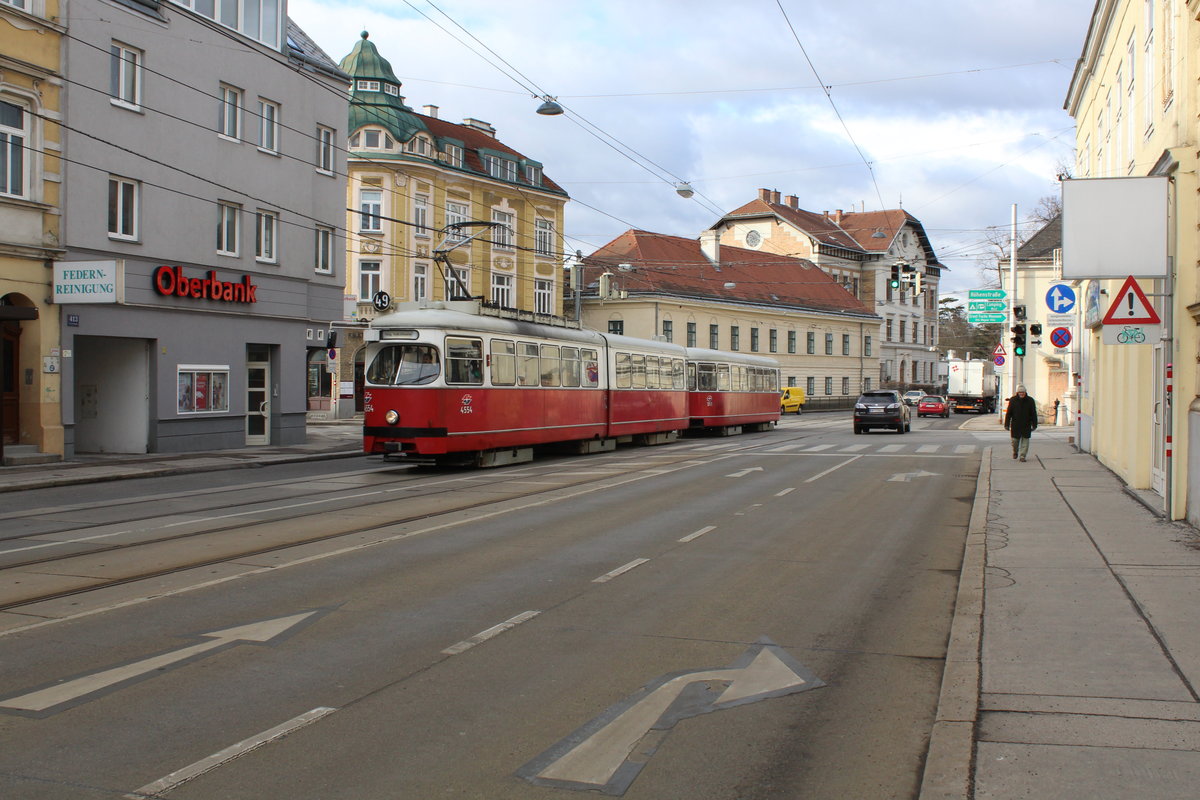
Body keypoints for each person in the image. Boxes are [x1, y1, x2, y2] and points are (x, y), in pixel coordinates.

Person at [1004, 384, 1038, 462]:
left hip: (1026, 424)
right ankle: (1015, 452)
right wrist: (1007, 424)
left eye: (1023, 392)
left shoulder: (1030, 400)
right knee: (1014, 441)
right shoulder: (1013, 400)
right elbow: (1009, 413)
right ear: (1017, 393)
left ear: (1025, 392)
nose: (1021, 394)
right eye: (1020, 392)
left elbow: (1033, 413)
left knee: (1025, 442)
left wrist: (1034, 424)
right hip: (1016, 424)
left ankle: (1023, 456)